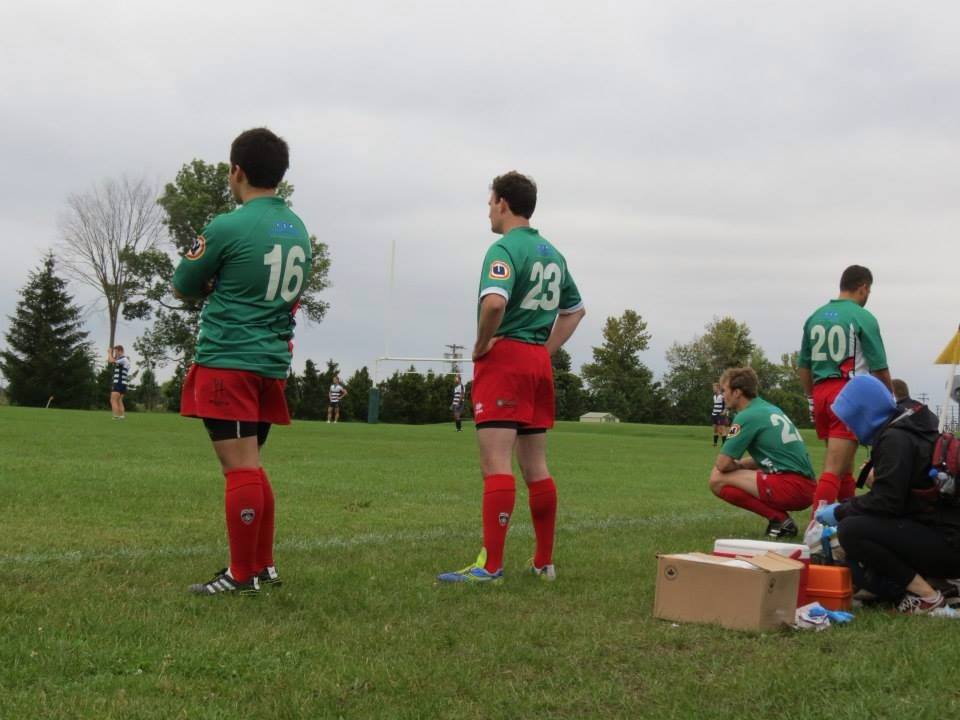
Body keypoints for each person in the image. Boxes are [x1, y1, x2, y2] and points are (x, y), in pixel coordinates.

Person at [172, 127, 312, 596]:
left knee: (240, 470)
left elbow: (184, 283)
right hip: (270, 362)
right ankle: (262, 564)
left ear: (236, 171)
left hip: (229, 358)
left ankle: (241, 573)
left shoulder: (227, 226)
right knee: (251, 465)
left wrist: (213, 286)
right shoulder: (298, 230)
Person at [437, 171, 585, 583]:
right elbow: (575, 310)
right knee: (536, 464)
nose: (488, 209)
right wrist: (544, 351)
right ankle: (543, 562)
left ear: (503, 203)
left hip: (505, 359)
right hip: (537, 362)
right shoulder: (553, 253)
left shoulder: (502, 249)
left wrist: (483, 344)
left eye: (489, 202)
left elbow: (494, 304)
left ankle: (491, 566)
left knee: (495, 462)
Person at [816, 375, 960, 614]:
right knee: (863, 523)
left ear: (863, 412)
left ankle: (927, 597)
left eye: (850, 419)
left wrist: (840, 510)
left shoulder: (895, 438)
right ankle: (940, 585)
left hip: (949, 542)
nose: (849, 428)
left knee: (852, 530)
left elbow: (886, 503)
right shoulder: (912, 428)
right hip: (947, 534)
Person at [798, 265, 892, 516]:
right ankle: (815, 528)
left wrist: (810, 397)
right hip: (848, 393)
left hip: (820, 392)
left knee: (845, 467)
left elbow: (803, 367)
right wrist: (892, 399)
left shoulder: (815, 316)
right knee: (833, 469)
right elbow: (879, 368)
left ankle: (846, 519)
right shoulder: (863, 317)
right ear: (863, 288)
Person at [709, 367, 816, 538]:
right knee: (732, 471)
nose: (722, 395)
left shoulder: (747, 415)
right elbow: (771, 457)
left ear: (737, 392)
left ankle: (780, 520)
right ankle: (780, 520)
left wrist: (737, 465)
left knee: (717, 478)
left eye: (724, 390)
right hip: (805, 485)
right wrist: (743, 465)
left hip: (792, 487)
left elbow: (723, 464)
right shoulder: (769, 409)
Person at [106, 344, 131, 419]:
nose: (115, 354)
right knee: (119, 400)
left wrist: (109, 353)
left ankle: (116, 416)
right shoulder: (124, 360)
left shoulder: (123, 359)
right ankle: (121, 416)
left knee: (113, 400)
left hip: (118, 382)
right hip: (123, 383)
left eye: (116, 352)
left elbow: (110, 360)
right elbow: (111, 360)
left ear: (121, 351)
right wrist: (111, 357)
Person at [710, 382, 726, 447]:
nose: (713, 389)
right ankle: (715, 444)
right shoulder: (714, 396)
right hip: (714, 414)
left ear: (718, 388)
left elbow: (726, 403)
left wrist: (724, 411)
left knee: (721, 430)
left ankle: (724, 445)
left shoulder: (722, 396)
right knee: (715, 429)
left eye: (714, 388)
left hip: (720, 415)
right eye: (713, 388)